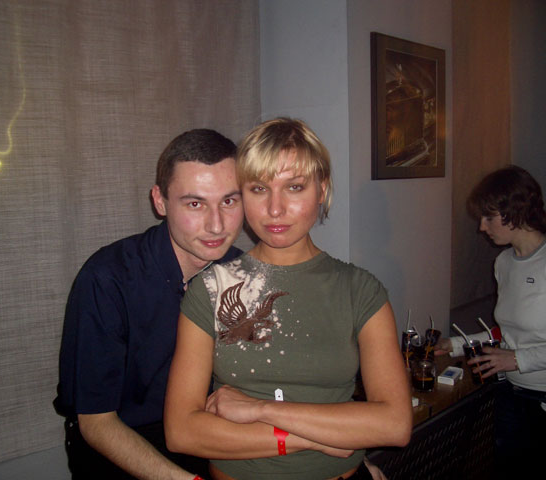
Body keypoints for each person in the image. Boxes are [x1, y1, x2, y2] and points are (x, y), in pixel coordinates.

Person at [164, 118, 412, 480]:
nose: (275, 209)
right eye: (259, 189)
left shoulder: (360, 290)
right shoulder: (212, 289)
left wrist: (260, 409)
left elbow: (394, 425)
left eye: (294, 187)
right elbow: (182, 432)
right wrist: (312, 438)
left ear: (321, 189)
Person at [54, 128, 245, 480]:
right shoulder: (107, 279)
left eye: (229, 201)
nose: (216, 224)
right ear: (160, 201)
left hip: (205, 435)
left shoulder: (241, 273)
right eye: (195, 203)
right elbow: (96, 424)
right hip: (121, 444)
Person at [436, 165, 546, 478]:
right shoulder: (504, 262)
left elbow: (515, 351)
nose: (482, 227)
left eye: (489, 217)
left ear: (516, 211)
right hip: (511, 393)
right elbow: (507, 334)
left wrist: (517, 359)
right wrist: (455, 344)